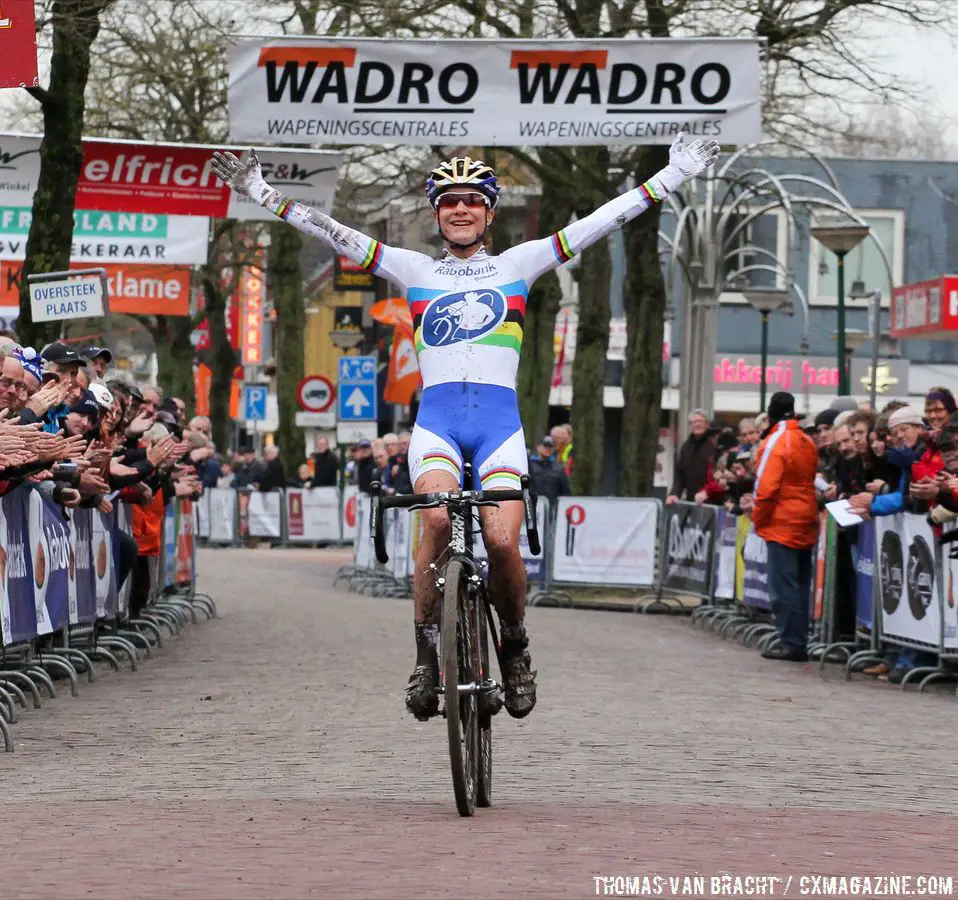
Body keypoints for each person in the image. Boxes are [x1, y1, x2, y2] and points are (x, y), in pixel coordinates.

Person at [211, 131, 720, 721]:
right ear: (436, 212)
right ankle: (427, 655)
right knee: (432, 519)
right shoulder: (414, 268)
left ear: (489, 211)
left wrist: (675, 175)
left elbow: (600, 222)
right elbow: (332, 232)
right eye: (449, 199)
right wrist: (260, 191)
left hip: (500, 426)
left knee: (502, 541)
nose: (460, 208)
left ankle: (515, 646)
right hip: (439, 425)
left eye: (472, 199)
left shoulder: (518, 264)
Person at [750, 392, 819, 662]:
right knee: (800, 584)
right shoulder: (806, 441)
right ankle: (798, 640)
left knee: (783, 586)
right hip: (805, 517)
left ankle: (791, 641)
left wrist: (759, 518)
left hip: (782, 521)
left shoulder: (774, 443)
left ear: (770, 414)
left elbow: (765, 488)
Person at [668, 409, 714, 504]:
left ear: (706, 424)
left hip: (712, 499)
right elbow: (680, 474)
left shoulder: (714, 444)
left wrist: (707, 491)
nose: (697, 424)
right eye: (694, 422)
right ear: (691, 425)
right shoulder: (686, 447)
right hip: (691, 500)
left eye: (700, 421)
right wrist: (674, 493)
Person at [527, 435, 571, 507]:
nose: (548, 448)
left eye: (550, 446)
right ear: (538, 447)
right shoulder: (529, 466)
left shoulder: (559, 468)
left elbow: (566, 493)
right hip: (533, 508)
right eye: (545, 445)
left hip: (553, 510)